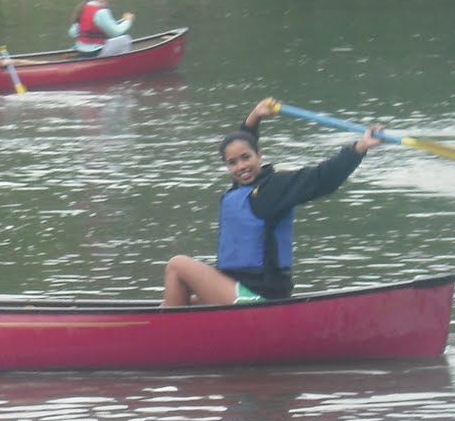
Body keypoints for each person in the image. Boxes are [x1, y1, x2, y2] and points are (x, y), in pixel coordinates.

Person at [162, 97, 382, 306]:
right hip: (238, 288)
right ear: (228, 167)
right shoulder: (242, 187)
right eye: (232, 163)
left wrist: (359, 148)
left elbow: (321, 178)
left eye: (246, 158)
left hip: (260, 294)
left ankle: (163, 338)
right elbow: (242, 141)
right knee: (183, 302)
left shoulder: (273, 189)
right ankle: (169, 328)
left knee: (177, 265)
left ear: (260, 155)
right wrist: (254, 117)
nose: (241, 167)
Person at [69, 0, 135, 57]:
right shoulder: (102, 11)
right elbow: (115, 32)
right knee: (126, 39)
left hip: (80, 49)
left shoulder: (83, 8)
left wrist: (122, 21)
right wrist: (128, 21)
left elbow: (73, 33)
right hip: (94, 51)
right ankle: (118, 63)